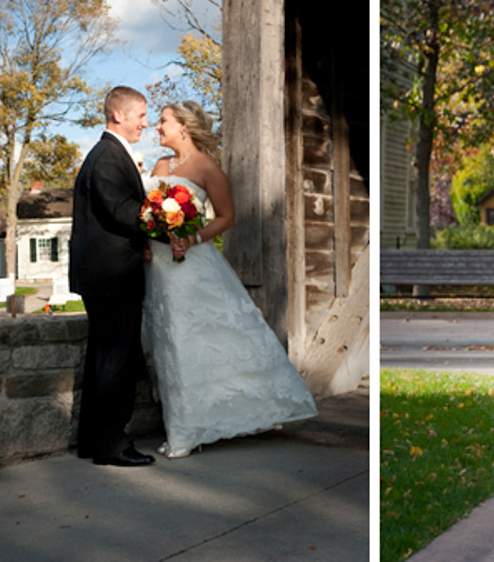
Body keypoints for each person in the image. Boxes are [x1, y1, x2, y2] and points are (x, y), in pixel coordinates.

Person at [142, 100, 317, 459]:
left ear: (183, 127)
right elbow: (146, 213)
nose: (156, 128)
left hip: (191, 266)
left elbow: (227, 217)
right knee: (166, 340)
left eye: (162, 122)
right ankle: (185, 421)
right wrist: (147, 238)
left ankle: (187, 432)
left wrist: (191, 238)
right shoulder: (159, 166)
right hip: (158, 264)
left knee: (189, 339)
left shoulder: (207, 167)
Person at [70, 85, 157, 467]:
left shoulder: (109, 153)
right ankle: (111, 445)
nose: (145, 122)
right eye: (140, 115)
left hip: (108, 274)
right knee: (115, 361)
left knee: (104, 359)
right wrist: (166, 218)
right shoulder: (107, 156)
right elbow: (123, 211)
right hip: (111, 276)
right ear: (119, 115)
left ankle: (94, 441)